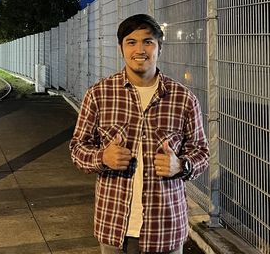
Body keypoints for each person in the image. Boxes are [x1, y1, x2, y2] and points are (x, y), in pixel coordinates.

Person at [70, 14, 210, 254]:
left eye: (148, 41)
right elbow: (77, 148)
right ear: (120, 48)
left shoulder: (183, 98)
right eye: (131, 42)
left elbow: (201, 152)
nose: (140, 49)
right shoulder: (99, 94)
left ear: (159, 48)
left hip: (165, 227)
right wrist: (103, 157)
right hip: (114, 226)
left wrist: (181, 165)